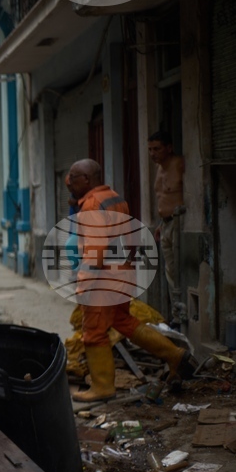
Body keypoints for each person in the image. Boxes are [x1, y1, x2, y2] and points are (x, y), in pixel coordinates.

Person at [65, 159, 193, 401]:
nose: (69, 182)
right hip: (121, 273)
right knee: (124, 321)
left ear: (87, 180)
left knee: (93, 332)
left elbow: (96, 250)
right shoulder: (113, 197)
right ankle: (175, 354)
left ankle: (102, 387)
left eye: (73, 177)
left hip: (102, 278)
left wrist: (83, 284)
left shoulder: (92, 204)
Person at [147, 131, 185, 313]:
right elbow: (163, 198)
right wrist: (161, 224)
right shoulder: (159, 168)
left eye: (157, 149)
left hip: (180, 224)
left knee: (179, 271)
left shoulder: (179, 164)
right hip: (166, 225)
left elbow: (188, 195)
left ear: (169, 148)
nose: (153, 153)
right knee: (170, 272)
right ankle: (177, 315)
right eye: (150, 149)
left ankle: (184, 313)